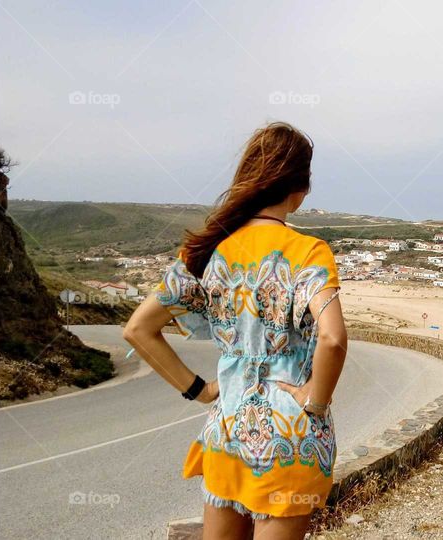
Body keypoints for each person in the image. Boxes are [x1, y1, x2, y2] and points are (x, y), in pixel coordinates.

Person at [124, 122, 346, 539]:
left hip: (226, 431)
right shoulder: (308, 252)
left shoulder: (207, 251)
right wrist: (314, 404)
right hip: (289, 439)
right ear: (299, 188)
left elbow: (138, 329)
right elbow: (333, 339)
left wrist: (201, 390)